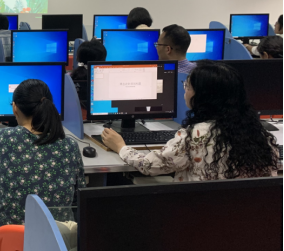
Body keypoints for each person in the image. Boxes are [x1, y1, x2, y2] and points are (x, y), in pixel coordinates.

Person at [101, 61, 279, 182]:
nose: (185, 91)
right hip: (245, 216)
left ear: (202, 96)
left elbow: (149, 165)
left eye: (187, 86)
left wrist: (121, 147)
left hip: (197, 213)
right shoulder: (259, 134)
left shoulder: (195, 135)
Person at [0, 79, 86, 234]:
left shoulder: (3, 139)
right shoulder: (70, 146)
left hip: (11, 243)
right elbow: (79, 196)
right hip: (58, 242)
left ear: (15, 108)